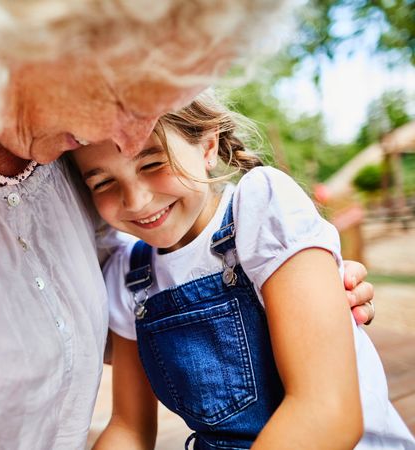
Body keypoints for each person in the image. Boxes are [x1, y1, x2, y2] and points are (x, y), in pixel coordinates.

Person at [0, 0, 375, 448]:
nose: (127, 143)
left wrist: (296, 299)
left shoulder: (64, 144)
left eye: (159, 115)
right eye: (123, 98)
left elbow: (77, 317)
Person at [71, 93, 415, 449]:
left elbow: (327, 413)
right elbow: (130, 428)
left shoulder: (261, 206)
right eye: (103, 183)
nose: (136, 200)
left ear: (207, 146)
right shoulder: (129, 275)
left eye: (153, 163)